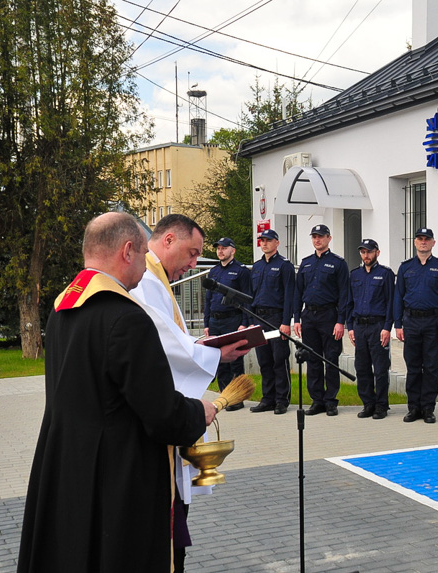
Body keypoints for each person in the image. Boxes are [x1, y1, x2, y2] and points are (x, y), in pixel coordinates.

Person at [18, 212, 217, 573]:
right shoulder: (125, 318)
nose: (144, 268)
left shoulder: (63, 309)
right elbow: (161, 415)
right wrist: (197, 412)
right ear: (128, 251)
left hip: (69, 465)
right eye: (143, 254)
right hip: (119, 476)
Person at [130, 213, 249, 571]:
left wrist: (205, 346)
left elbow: (174, 337)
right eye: (192, 253)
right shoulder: (145, 280)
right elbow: (164, 344)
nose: (194, 264)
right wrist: (214, 351)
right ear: (168, 240)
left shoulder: (157, 277)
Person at [393, 228, 438, 424]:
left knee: (430, 367)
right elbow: (398, 298)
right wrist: (398, 324)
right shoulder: (405, 268)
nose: (423, 242)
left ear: (433, 243)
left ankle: (428, 408)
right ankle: (413, 408)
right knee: (413, 367)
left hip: (433, 322)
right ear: (415, 242)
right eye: (420, 239)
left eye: (427, 239)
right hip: (411, 322)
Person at [293, 224, 349, 417]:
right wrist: (297, 318)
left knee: (331, 359)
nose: (318, 240)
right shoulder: (306, 263)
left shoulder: (338, 263)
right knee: (313, 359)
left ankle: (331, 401)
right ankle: (317, 401)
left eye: (321, 236)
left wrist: (341, 321)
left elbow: (344, 294)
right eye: (315, 237)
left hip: (329, 316)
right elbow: (298, 292)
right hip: (309, 316)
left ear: (329, 239)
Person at [346, 238, 395, 419]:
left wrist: (387, 327)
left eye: (369, 251)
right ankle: (368, 404)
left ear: (377, 253)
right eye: (363, 252)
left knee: (381, 369)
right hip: (359, 326)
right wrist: (349, 327)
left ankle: (381, 405)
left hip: (377, 326)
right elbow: (349, 303)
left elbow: (391, 302)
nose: (366, 255)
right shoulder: (355, 274)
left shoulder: (386, 274)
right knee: (362, 367)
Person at [249, 229, 296, 415]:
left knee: (279, 359)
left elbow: (289, 295)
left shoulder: (284, 266)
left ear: (277, 243)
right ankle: (267, 398)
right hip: (259, 318)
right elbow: (252, 295)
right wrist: (252, 320)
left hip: (276, 318)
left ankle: (281, 400)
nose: (264, 243)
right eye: (262, 241)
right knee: (264, 360)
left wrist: (286, 321)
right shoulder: (257, 266)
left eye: (268, 240)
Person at [204, 237, 252, 411]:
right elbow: (208, 299)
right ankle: (225, 396)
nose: (220, 251)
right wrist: (207, 322)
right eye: (218, 248)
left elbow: (247, 298)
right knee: (220, 360)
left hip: (233, 319)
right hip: (216, 320)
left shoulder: (241, 271)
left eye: (224, 248)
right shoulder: (214, 272)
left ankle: (237, 397)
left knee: (235, 360)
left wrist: (245, 323)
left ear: (233, 250)